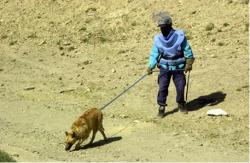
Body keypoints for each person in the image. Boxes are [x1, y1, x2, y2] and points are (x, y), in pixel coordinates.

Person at [147, 14, 195, 118]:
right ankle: (161, 106)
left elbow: (186, 49)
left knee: (181, 86)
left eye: (164, 27)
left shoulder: (180, 36)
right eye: (161, 28)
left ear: (170, 26)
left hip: (178, 67)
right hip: (164, 67)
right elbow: (154, 53)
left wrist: (189, 61)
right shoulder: (158, 39)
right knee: (163, 87)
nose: (162, 30)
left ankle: (181, 103)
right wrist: (150, 66)